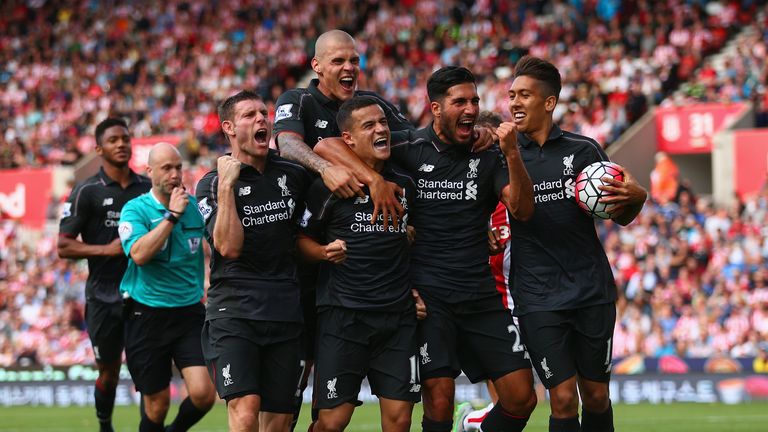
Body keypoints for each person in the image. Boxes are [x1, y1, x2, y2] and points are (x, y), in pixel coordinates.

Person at [315, 66, 537, 432]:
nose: (469, 109)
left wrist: (512, 154)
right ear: (435, 108)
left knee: (521, 396)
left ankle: (476, 427)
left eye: (474, 101)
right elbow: (326, 145)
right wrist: (374, 181)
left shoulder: (489, 154)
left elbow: (523, 210)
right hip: (429, 299)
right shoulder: (409, 146)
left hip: (480, 295)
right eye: (459, 102)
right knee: (438, 399)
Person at [272, 29, 415, 429]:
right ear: (317, 66)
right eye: (338, 61)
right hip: (301, 256)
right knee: (293, 385)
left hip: (361, 265)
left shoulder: (375, 108)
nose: (349, 68)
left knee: (335, 409)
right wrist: (330, 168)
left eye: (354, 60)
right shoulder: (298, 100)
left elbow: (411, 146)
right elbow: (288, 146)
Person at [506, 55, 647, 432]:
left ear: (549, 102)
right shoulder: (503, 154)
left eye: (524, 95)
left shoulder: (584, 151)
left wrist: (637, 197)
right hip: (537, 296)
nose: (515, 103)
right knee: (564, 398)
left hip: (590, 291)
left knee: (597, 396)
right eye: (511, 95)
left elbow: (620, 214)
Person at [297, 96, 426, 432]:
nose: (381, 129)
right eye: (369, 125)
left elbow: (417, 242)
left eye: (383, 122)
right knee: (331, 422)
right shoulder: (331, 187)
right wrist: (324, 253)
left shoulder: (405, 185)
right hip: (343, 317)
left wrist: (416, 289)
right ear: (349, 139)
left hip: (397, 318)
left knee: (399, 420)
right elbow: (297, 241)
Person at [195, 90, 312, 432]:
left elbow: (314, 225)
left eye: (264, 113)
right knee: (245, 413)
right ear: (228, 127)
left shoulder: (293, 174)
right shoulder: (212, 184)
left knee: (278, 423)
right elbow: (228, 248)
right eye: (250, 115)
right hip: (235, 313)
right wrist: (228, 187)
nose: (262, 119)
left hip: (285, 311)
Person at [58, 117, 151, 432]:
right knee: (109, 373)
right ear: (99, 149)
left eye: (125, 138)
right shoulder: (86, 192)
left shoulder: (147, 189)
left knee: (145, 372)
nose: (122, 144)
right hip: (102, 298)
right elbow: (64, 246)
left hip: (143, 295)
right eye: (113, 140)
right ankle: (105, 426)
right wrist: (107, 250)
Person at [118, 143, 215, 432]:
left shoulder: (195, 208)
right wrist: (171, 216)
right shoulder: (135, 209)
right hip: (146, 315)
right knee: (157, 405)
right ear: (149, 172)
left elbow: (216, 246)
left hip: (188, 312)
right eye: (166, 168)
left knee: (203, 394)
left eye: (178, 167)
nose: (175, 174)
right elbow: (139, 254)